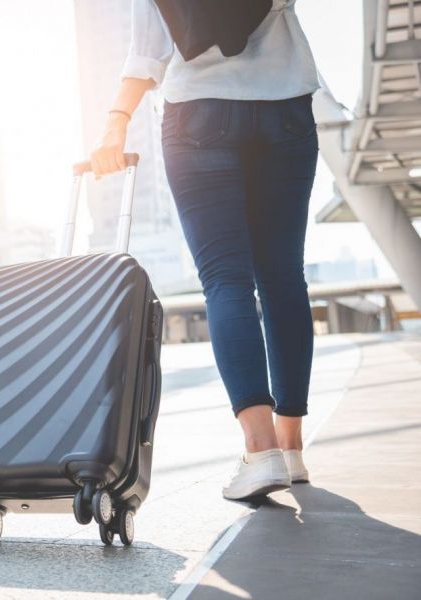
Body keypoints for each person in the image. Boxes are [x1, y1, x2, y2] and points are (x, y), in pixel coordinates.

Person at [90, 0, 319, 500]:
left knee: (226, 280)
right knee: (283, 278)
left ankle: (261, 454)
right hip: (285, 106)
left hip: (199, 113)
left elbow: (146, 54)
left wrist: (115, 123)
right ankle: (291, 451)